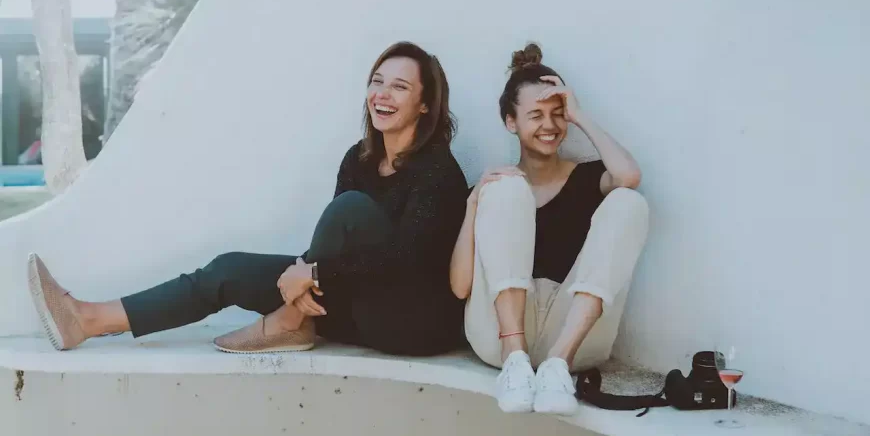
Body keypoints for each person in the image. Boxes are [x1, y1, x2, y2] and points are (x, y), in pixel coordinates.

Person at [28, 42, 469, 357]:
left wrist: (311, 270)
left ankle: (289, 322)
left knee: (349, 208)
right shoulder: (359, 157)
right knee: (228, 270)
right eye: (377, 81)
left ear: (426, 105)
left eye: (399, 87)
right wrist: (307, 274)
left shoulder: (437, 171)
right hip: (358, 302)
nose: (382, 95)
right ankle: (87, 319)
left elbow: (408, 259)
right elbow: (342, 249)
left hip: (413, 323)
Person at [449, 43, 649, 415]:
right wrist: (473, 204)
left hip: (572, 337)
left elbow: (629, 176)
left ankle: (557, 364)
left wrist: (581, 117)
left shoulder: (587, 177)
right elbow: (460, 287)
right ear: (511, 122)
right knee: (506, 187)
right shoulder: (494, 188)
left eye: (557, 115)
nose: (550, 125)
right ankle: (515, 359)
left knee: (629, 201)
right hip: (498, 337)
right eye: (536, 115)